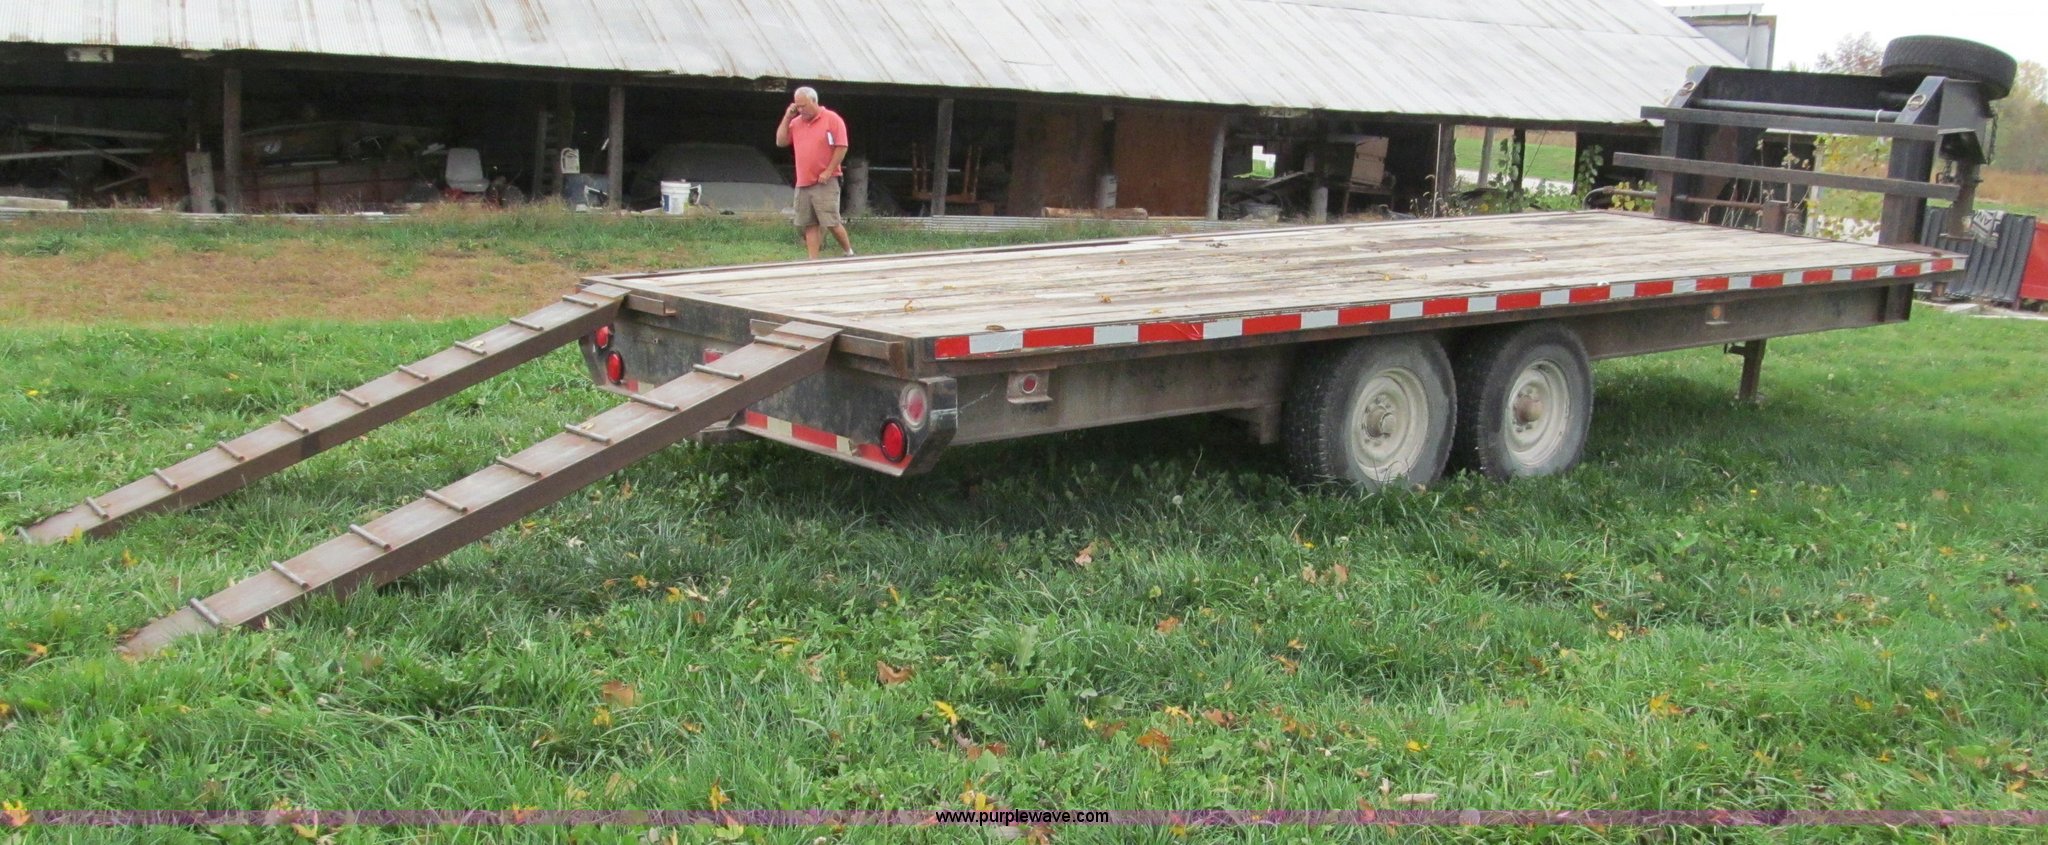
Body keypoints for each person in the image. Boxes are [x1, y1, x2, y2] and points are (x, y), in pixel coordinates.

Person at [774, 86, 854, 259]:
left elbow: (842, 147)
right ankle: (813, 260)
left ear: (814, 101)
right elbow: (780, 141)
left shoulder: (832, 119)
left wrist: (828, 171)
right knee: (808, 223)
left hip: (825, 180)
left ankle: (848, 251)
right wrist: (787, 117)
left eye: (803, 106)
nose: (800, 110)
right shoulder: (796, 122)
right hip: (803, 181)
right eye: (797, 106)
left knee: (831, 220)